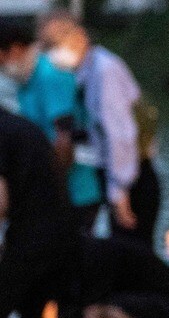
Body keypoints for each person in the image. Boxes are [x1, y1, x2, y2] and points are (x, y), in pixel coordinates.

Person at [38, 11, 157, 244]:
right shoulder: (86, 72)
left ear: (77, 38)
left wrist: (119, 193)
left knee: (133, 258)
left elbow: (120, 135)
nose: (51, 54)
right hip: (123, 177)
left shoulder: (104, 71)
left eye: (53, 45)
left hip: (132, 180)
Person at [0, 106, 80, 318]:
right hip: (63, 232)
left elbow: (1, 201)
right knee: (31, 315)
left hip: (33, 235)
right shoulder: (20, 125)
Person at [0, 18, 104, 229]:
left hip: (73, 194)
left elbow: (64, 140)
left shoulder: (49, 76)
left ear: (16, 49)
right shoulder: (27, 79)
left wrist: (41, 189)